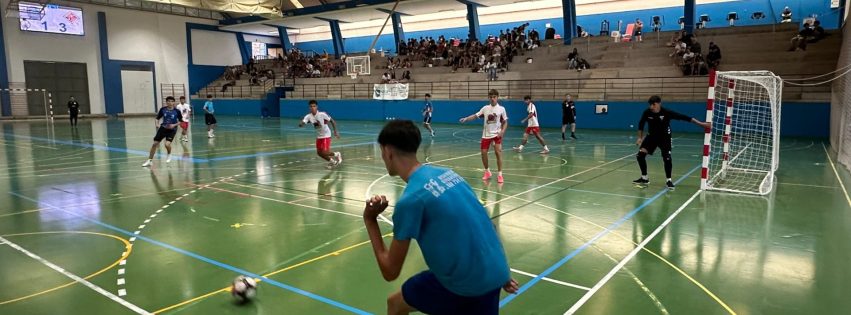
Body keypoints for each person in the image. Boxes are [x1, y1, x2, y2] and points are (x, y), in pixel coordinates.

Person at [363, 120, 518, 315]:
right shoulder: (448, 175)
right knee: (398, 301)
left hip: (465, 285)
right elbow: (485, 223)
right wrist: (501, 273)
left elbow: (390, 271)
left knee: (395, 305)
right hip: (495, 272)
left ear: (387, 151)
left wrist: (370, 220)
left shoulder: (411, 200)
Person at [633, 95, 711, 189]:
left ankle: (669, 180)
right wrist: (639, 138)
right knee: (640, 155)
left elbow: (684, 117)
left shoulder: (666, 112)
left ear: (659, 103)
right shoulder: (647, 112)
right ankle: (644, 178)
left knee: (667, 158)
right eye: (650, 105)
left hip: (664, 138)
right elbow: (641, 124)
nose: (651, 107)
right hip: (651, 137)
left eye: (653, 104)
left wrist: (701, 124)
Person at [460, 89, 508, 183]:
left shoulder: (502, 109)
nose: (492, 99)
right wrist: (466, 119)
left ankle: (500, 174)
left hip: (496, 134)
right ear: (489, 98)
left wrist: (502, 131)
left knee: (498, 153)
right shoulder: (485, 108)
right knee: (483, 153)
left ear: (497, 97)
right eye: (491, 97)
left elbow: (505, 122)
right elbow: (475, 115)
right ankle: (487, 172)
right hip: (486, 135)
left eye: (494, 97)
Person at [298, 100, 342, 168]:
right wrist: (301, 124)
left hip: (326, 134)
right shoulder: (308, 116)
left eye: (314, 106)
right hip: (319, 136)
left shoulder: (322, 114)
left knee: (324, 152)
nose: (312, 107)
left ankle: (337, 154)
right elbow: (303, 122)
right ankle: (333, 162)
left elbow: (332, 121)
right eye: (311, 106)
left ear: (317, 107)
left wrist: (335, 132)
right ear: (309, 108)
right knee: (319, 153)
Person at [142, 96, 183, 167]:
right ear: (166, 102)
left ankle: (169, 154)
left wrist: (174, 125)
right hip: (163, 128)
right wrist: (157, 124)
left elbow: (181, 121)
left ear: (174, 102)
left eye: (171, 101)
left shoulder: (177, 111)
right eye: (168, 101)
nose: (170, 102)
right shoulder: (163, 109)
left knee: (167, 144)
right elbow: (157, 118)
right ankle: (149, 160)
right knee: (154, 144)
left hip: (172, 130)